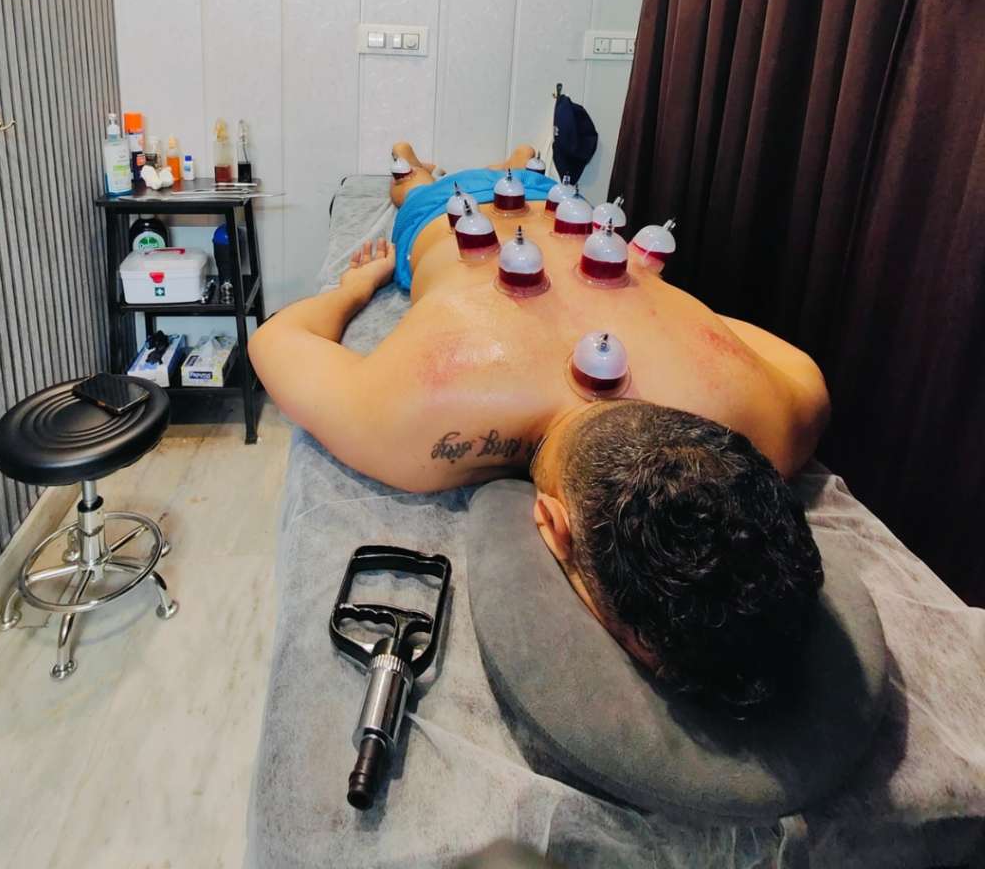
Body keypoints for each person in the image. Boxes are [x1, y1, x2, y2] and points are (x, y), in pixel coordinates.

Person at [249, 142, 831, 716]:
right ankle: (426, 164)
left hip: (550, 201)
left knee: (455, 177)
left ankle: (492, 162)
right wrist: (355, 289)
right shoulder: (410, 422)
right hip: (462, 213)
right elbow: (274, 339)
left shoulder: (781, 415)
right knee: (410, 188)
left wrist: (672, 318)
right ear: (554, 526)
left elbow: (275, 338)